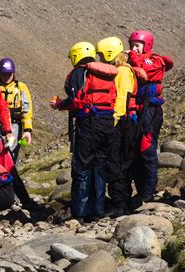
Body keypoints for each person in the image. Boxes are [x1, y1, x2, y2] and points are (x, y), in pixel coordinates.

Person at [50, 42, 117, 222]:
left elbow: (76, 101)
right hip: (107, 122)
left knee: (82, 165)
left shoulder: (80, 72)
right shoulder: (105, 72)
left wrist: (59, 105)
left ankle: (80, 211)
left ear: (76, 55)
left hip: (88, 123)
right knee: (100, 164)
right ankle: (98, 209)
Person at [96, 37, 147, 217]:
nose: (101, 59)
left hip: (122, 123)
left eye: (102, 55)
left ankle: (119, 203)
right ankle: (122, 200)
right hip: (125, 121)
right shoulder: (122, 70)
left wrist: (114, 120)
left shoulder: (122, 72)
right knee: (121, 162)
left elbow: (121, 98)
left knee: (115, 162)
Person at [127, 30, 174, 203]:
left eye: (137, 45)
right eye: (131, 45)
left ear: (146, 45)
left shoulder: (155, 60)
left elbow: (146, 69)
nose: (134, 48)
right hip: (135, 110)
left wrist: (132, 56)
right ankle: (140, 192)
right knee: (134, 151)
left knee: (146, 148)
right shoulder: (132, 61)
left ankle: (149, 191)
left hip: (150, 111)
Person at [0, 57, 41, 211]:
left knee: (10, 161)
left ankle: (12, 196)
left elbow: (27, 111)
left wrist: (27, 130)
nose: (6, 77)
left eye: (9, 74)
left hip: (15, 127)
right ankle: (6, 196)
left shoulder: (21, 88)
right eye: (4, 74)